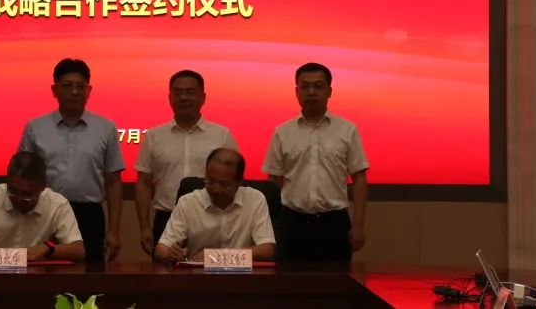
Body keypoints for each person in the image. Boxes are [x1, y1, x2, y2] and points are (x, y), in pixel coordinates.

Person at [17, 58, 124, 262]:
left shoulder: (106, 128)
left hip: (89, 215)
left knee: (91, 272)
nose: (74, 92)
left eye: (80, 86)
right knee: (41, 269)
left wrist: (114, 230)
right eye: (67, 86)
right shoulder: (35, 127)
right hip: (45, 212)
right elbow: (22, 175)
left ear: (89, 90)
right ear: (54, 90)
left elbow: (113, 182)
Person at [262, 62, 369, 262]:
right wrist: (270, 227)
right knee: (288, 279)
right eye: (305, 86)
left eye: (318, 86)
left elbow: (360, 180)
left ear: (329, 91)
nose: (311, 92)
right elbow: (274, 182)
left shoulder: (347, 130)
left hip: (334, 224)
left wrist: (358, 225)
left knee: (336, 280)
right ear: (296, 92)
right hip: (292, 224)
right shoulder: (282, 132)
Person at [135, 69, 238, 254]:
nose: (184, 97)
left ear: (202, 97)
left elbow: (234, 181)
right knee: (164, 271)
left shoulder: (221, 135)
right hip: (166, 218)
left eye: (190, 92)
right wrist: (144, 227)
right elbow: (143, 183)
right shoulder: (154, 136)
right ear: (170, 98)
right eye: (178, 92)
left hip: (211, 218)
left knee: (211, 270)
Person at [154, 148, 276, 263]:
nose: (216, 189)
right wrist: (170, 253)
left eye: (223, 184)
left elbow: (267, 250)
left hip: (242, 275)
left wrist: (219, 256)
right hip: (198, 274)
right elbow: (161, 249)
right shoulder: (188, 202)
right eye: (210, 181)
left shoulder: (255, 199)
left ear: (239, 182)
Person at [0, 152, 85, 261]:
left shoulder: (57, 204)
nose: (18, 199)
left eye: (27, 194)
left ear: (42, 187)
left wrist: (48, 248)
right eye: (12, 191)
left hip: (37, 276)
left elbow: (78, 251)